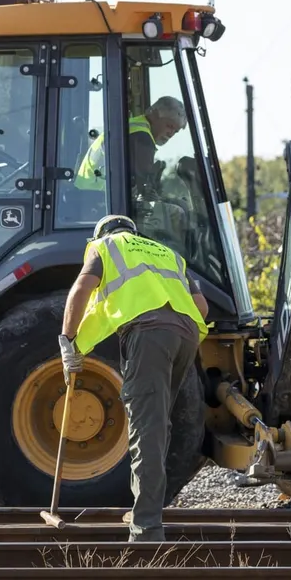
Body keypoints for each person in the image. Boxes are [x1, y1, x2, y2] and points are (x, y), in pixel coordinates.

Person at [58, 214, 209, 542]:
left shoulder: (105, 246)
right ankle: (147, 507)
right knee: (159, 425)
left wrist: (68, 341)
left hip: (150, 333)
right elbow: (201, 305)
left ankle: (146, 528)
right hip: (186, 334)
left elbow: (82, 288)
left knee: (147, 428)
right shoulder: (167, 253)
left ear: (101, 233)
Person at [73, 96, 187, 193]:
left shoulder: (131, 126)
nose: (171, 134)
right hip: (99, 200)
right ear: (155, 114)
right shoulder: (141, 136)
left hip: (88, 192)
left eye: (175, 131)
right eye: (169, 126)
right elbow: (144, 189)